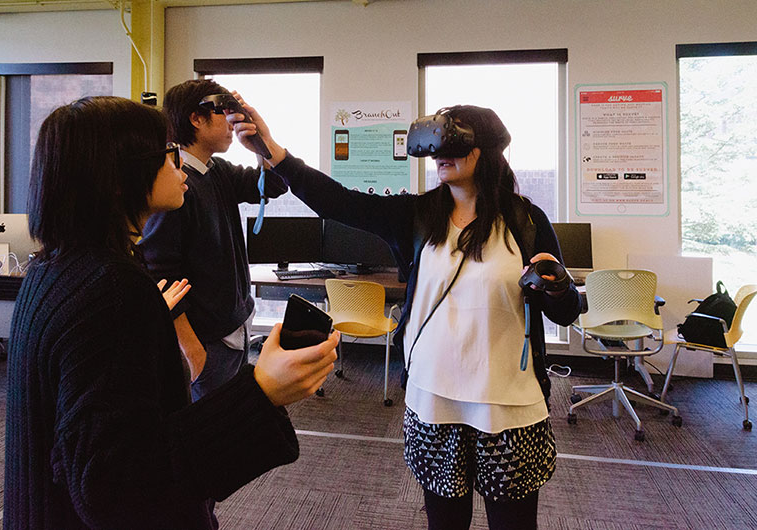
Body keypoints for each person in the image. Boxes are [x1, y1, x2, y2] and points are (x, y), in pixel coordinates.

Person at [231, 100, 583, 530]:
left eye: (451, 144)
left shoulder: (526, 221)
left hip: (508, 404)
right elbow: (337, 202)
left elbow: (564, 314)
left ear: (486, 150)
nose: (439, 155)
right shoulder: (417, 217)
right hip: (432, 399)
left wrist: (558, 286)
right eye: (435, 146)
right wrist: (273, 151)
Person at [4, 96, 339, 529]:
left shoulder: (52, 269)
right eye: (165, 153)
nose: (176, 164)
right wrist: (261, 391)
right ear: (120, 178)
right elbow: (116, 486)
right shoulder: (112, 289)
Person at [139, 79, 288, 403]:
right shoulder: (174, 187)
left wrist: (261, 143)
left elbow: (275, 184)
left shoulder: (214, 171)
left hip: (232, 330)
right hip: (205, 344)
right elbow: (160, 274)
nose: (231, 124)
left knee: (229, 435)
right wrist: (193, 353)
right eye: (224, 113)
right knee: (208, 442)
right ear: (196, 118)